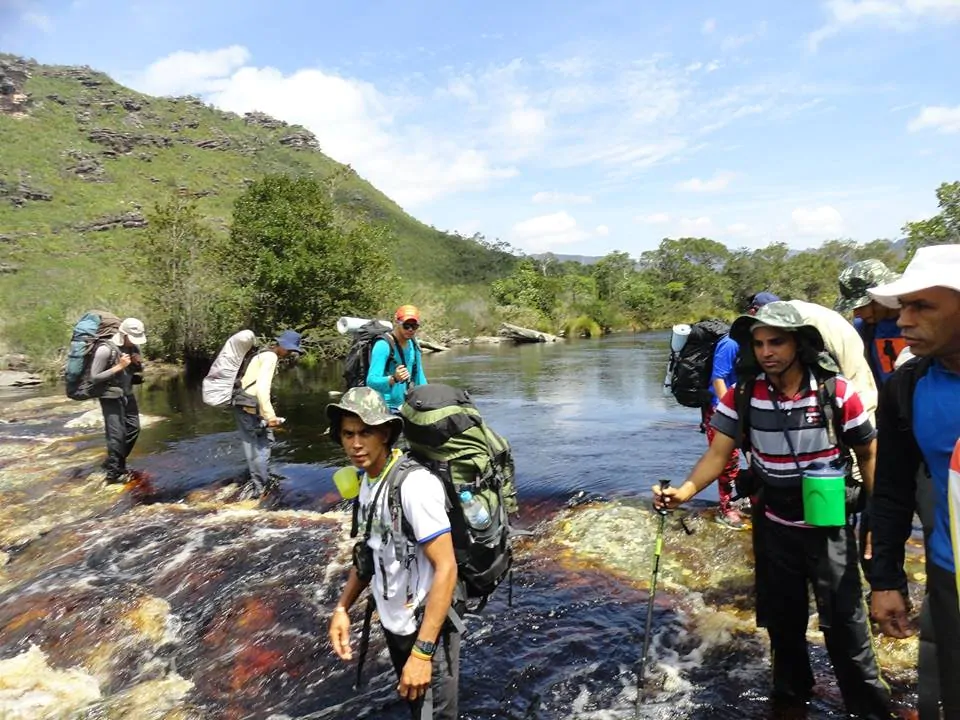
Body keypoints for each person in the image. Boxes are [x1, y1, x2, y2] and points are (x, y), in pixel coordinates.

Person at [654, 302, 892, 719]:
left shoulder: (837, 393)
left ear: (799, 344)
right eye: (759, 343)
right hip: (773, 528)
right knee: (783, 626)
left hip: (828, 529)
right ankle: (790, 700)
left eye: (777, 342)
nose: (767, 352)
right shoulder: (745, 396)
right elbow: (717, 453)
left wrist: (881, 520)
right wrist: (684, 491)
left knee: (847, 630)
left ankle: (870, 708)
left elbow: (869, 452)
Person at [864, 244, 960, 719]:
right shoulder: (907, 387)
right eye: (903, 305)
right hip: (949, 578)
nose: (902, 320)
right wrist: (884, 579)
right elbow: (893, 490)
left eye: (921, 305)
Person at [327, 387, 460, 719]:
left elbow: (446, 568)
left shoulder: (414, 486)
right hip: (395, 625)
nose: (356, 443)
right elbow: (369, 554)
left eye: (365, 433)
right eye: (348, 434)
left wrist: (423, 653)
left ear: (385, 433)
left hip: (427, 629)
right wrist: (342, 608)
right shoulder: (369, 482)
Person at [703, 292, 778, 529]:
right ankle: (725, 509)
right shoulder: (730, 343)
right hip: (721, 409)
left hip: (748, 409)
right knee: (727, 461)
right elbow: (718, 379)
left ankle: (749, 499)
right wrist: (730, 412)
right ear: (753, 311)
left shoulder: (757, 342)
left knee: (755, 457)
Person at [233, 330, 302, 498]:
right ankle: (260, 489)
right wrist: (270, 417)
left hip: (243, 404)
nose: (290, 353)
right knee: (260, 447)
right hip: (249, 407)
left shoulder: (262, 354)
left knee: (262, 442)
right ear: (283, 346)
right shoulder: (271, 358)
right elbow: (263, 389)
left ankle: (252, 481)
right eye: (290, 349)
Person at [89, 317, 146, 484]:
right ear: (123, 334)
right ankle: (114, 473)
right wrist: (119, 366)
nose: (134, 342)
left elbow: (135, 371)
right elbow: (94, 377)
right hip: (110, 395)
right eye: (132, 338)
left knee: (134, 429)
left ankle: (112, 462)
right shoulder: (105, 350)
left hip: (127, 394)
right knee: (116, 435)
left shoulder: (134, 347)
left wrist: (137, 364)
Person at [836, 259, 909, 387]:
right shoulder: (863, 328)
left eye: (861, 306)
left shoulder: (918, 321)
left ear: (879, 297)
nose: (856, 314)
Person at [365, 305, 427, 413]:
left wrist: (428, 396)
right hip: (385, 407)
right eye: (406, 325)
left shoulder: (413, 343)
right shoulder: (383, 345)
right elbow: (371, 381)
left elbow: (419, 374)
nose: (410, 329)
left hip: (407, 404)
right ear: (397, 322)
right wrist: (394, 378)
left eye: (414, 326)